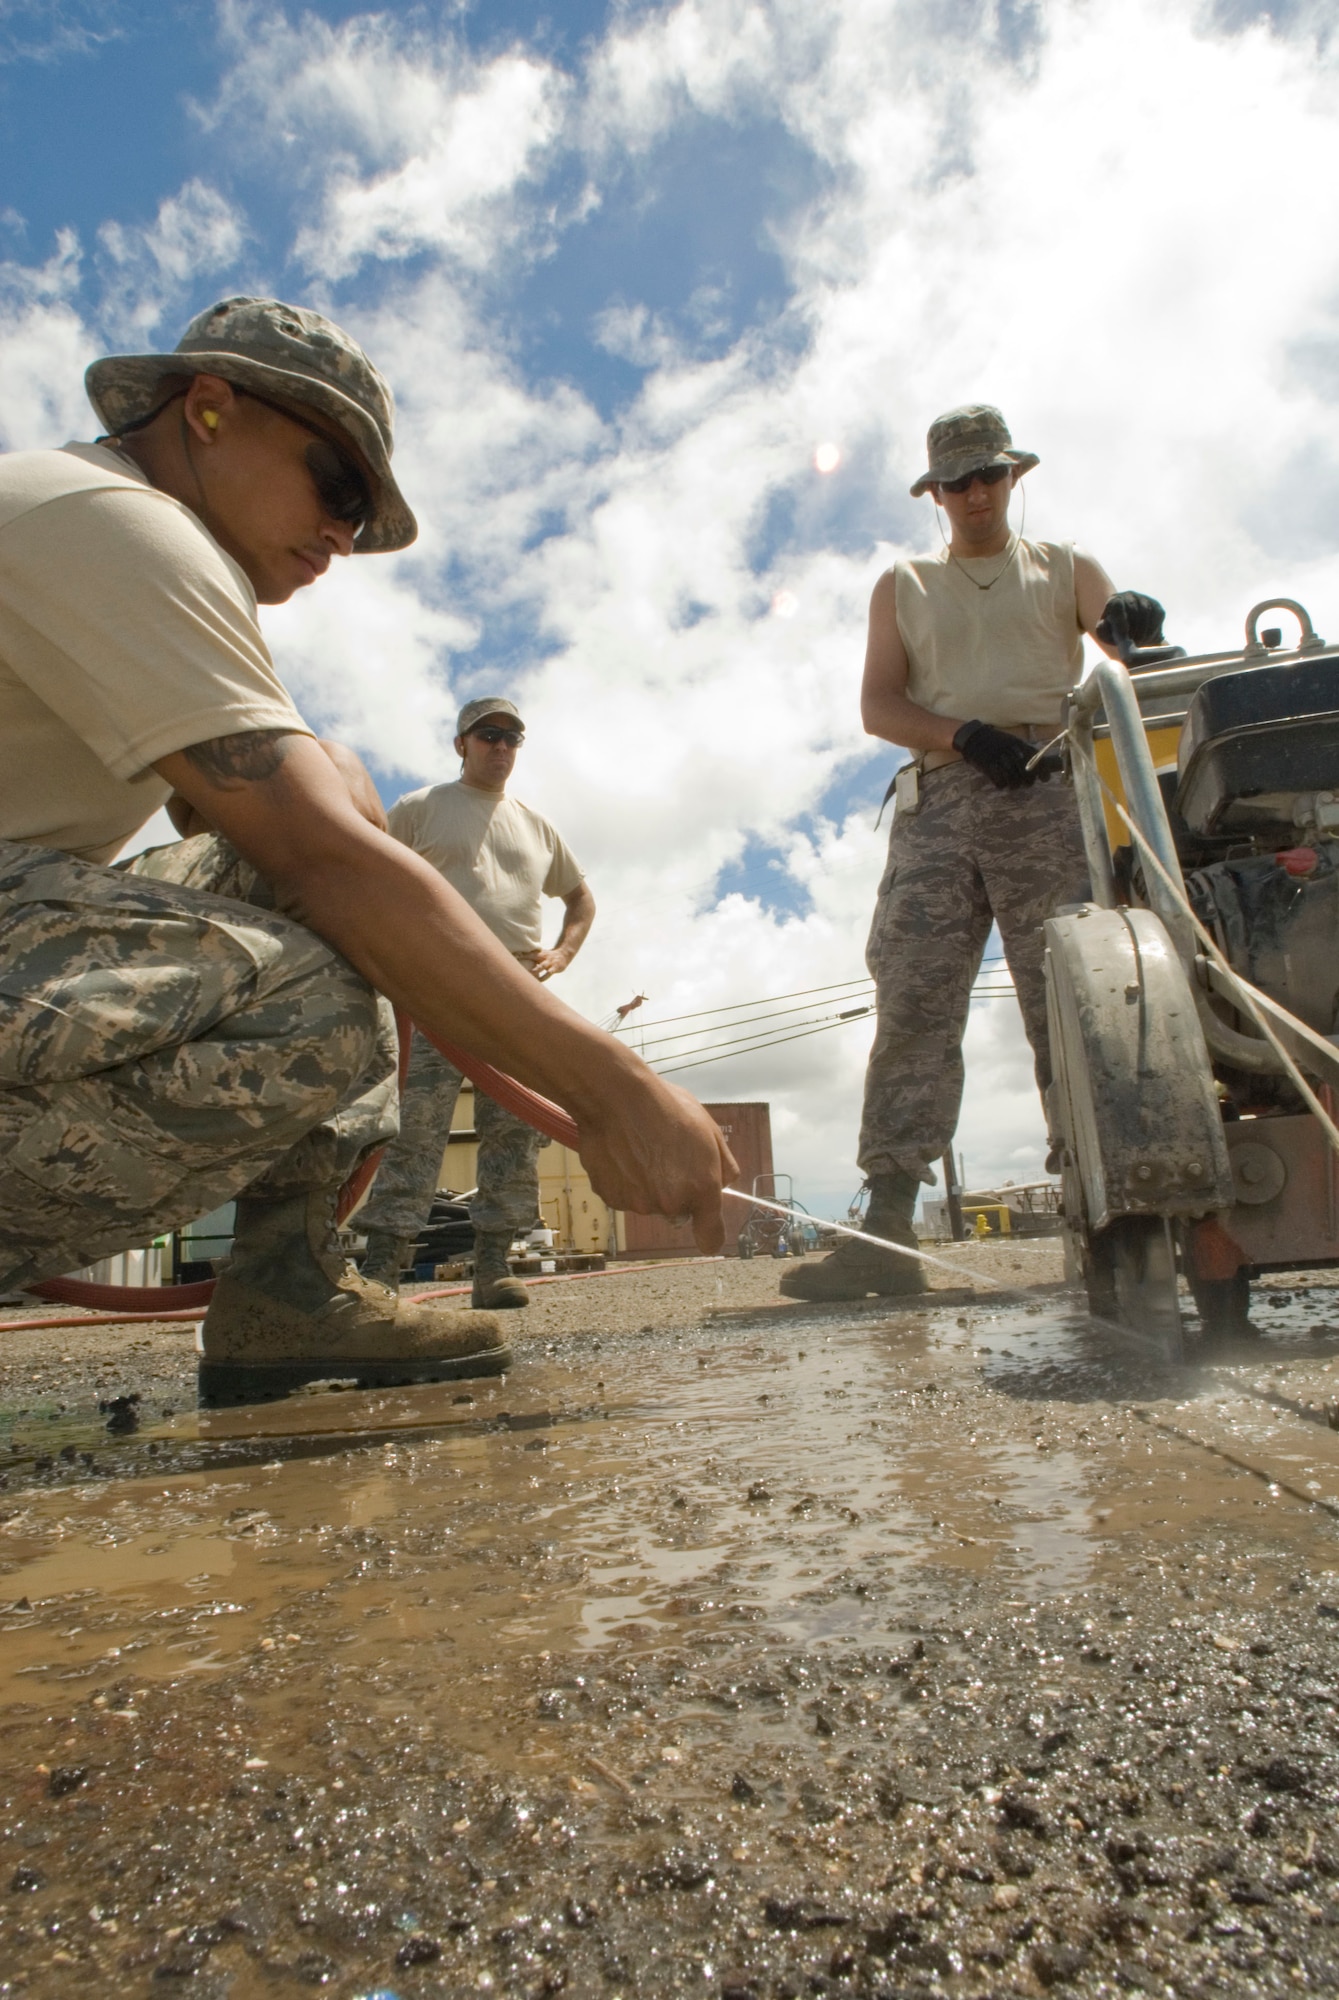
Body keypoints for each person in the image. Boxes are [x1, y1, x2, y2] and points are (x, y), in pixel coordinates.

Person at [0, 295, 734, 1402]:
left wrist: (332, 790)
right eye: (336, 486)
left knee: (329, 841)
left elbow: (286, 824)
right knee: (320, 967)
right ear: (207, 410)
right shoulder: (114, 521)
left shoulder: (111, 535)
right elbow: (324, 863)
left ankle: (284, 1286)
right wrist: (611, 1086)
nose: (344, 535)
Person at [782, 403, 1163, 1302]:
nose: (975, 493)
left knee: (1072, 1002)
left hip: (1047, 789)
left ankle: (1105, 1220)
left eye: (988, 475)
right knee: (914, 998)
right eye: (956, 482)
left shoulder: (1066, 568)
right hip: (943, 798)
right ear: (935, 493)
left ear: (1013, 477)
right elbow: (879, 707)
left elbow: (1130, 655)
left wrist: (1136, 627)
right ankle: (884, 1230)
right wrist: (958, 732)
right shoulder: (904, 583)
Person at [359, 697, 597, 1309]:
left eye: (513, 737)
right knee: (414, 1127)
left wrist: (563, 955)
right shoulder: (419, 809)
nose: (502, 746)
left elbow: (580, 900)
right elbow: (367, 877)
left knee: (513, 1129)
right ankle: (383, 1269)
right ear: (461, 743)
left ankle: (493, 1267)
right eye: (489, 734)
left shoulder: (537, 825)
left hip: (515, 989)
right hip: (436, 984)